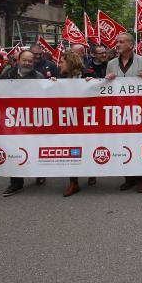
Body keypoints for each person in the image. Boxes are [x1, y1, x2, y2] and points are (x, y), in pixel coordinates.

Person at [106, 32, 142, 194]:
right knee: (122, 144)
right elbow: (105, 88)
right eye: (117, 41)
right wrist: (106, 79)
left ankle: (141, 180)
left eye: (121, 41)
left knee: (138, 144)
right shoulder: (111, 64)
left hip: (139, 112)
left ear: (131, 45)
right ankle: (128, 178)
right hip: (119, 112)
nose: (117, 44)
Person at [0, 50, 46, 197]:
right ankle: (16, 182)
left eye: (30, 61)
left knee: (33, 148)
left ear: (34, 63)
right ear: (18, 60)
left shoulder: (39, 77)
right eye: (24, 60)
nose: (27, 63)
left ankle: (39, 172)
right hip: (13, 120)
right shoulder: (7, 74)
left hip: (32, 120)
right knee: (13, 150)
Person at [57, 51, 96, 197]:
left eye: (62, 62)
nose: (60, 65)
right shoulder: (61, 77)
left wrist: (93, 82)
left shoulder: (87, 75)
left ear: (70, 62)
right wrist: (51, 85)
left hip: (87, 119)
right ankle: (73, 182)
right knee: (71, 149)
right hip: (70, 120)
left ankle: (92, 171)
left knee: (87, 147)